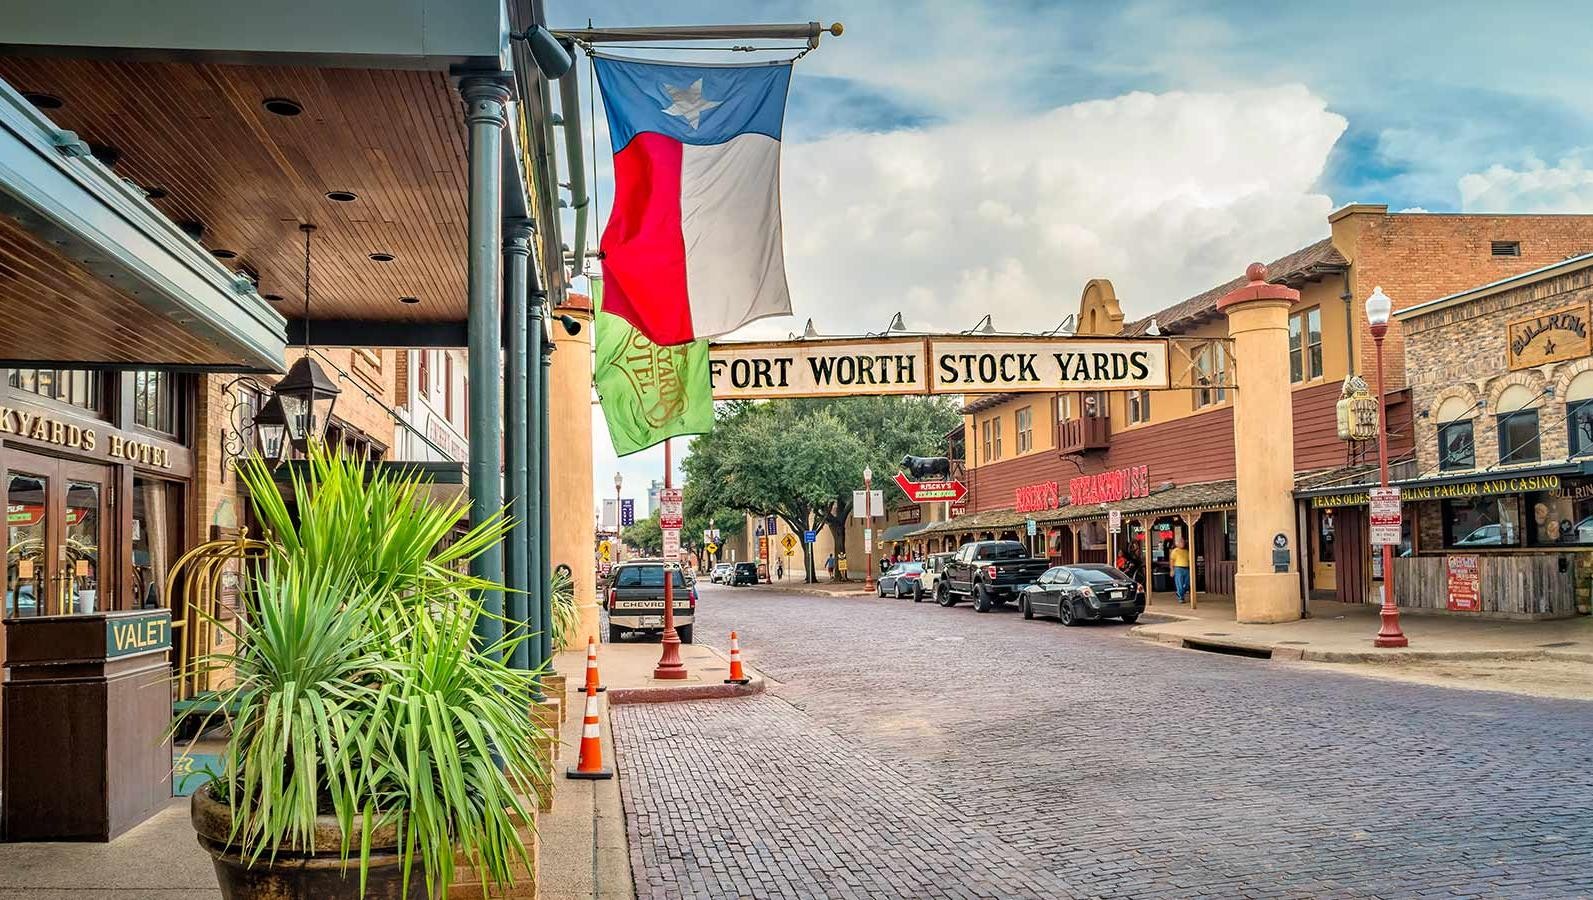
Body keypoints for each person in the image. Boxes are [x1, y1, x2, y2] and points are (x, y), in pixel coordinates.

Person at [1170, 533, 1191, 603]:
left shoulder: (1187, 551)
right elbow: (1172, 561)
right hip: (1178, 568)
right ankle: (1181, 597)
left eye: (1183, 541)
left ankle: (1180, 593)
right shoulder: (1175, 551)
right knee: (1179, 584)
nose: (1183, 543)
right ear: (1177, 543)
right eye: (1181, 541)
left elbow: (1189, 560)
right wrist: (1172, 570)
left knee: (1187, 583)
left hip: (1186, 568)